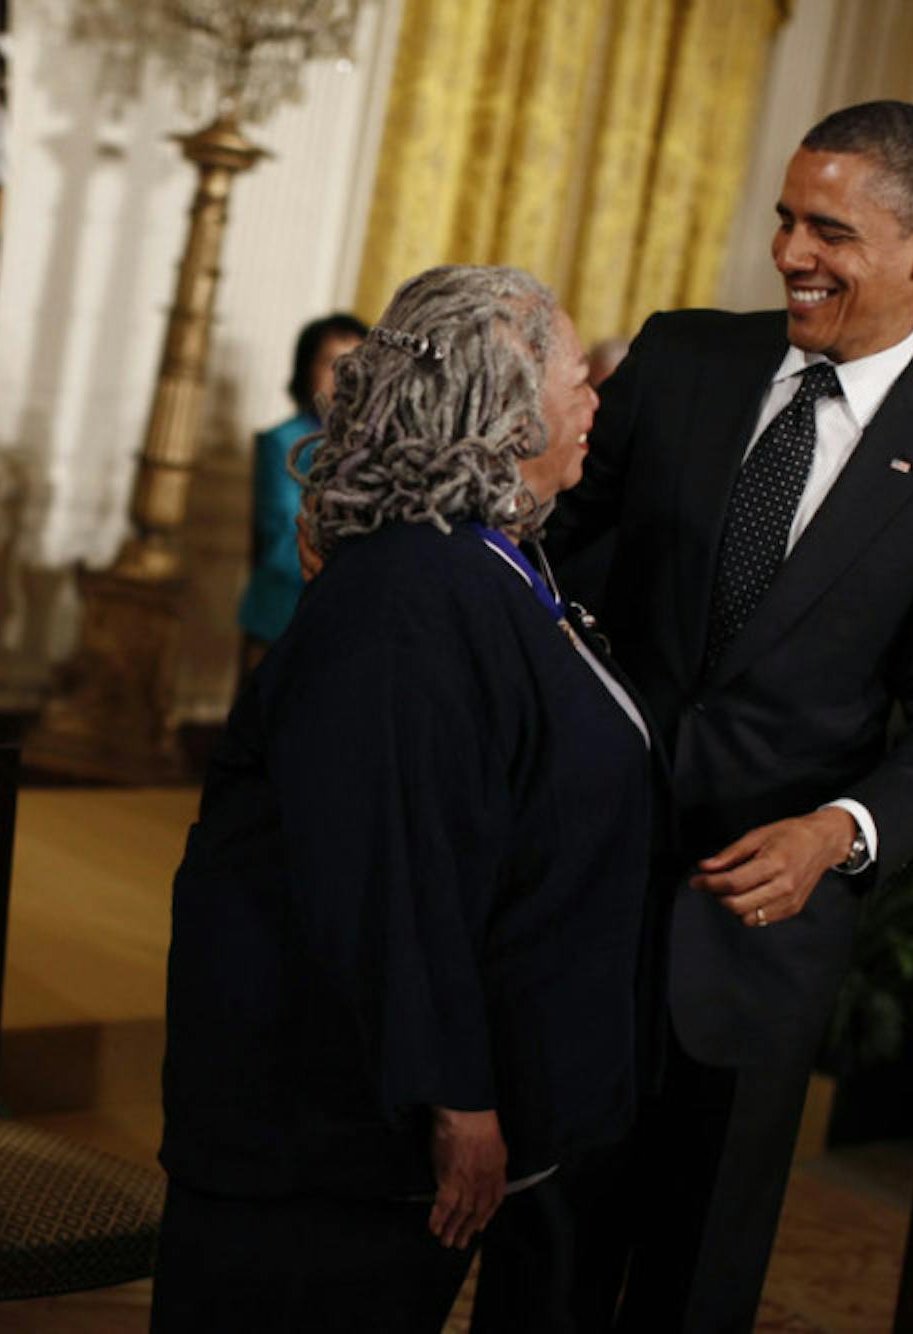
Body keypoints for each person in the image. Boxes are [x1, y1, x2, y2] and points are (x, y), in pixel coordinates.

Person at [472, 101, 913, 1332]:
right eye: (785, 218)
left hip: (758, 936)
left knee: (692, 1281)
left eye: (827, 230)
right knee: (542, 1253)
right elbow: (548, 558)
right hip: (583, 887)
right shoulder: (680, 359)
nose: (789, 252)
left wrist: (835, 832)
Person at [154, 265, 658, 1333]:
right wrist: (456, 1096)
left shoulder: (484, 562)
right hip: (325, 1143)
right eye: (576, 378)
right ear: (501, 405)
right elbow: (389, 869)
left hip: (375, 1132)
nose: (592, 400)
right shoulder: (407, 593)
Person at [235, 312, 367, 670]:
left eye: (354, 363)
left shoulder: (374, 447)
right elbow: (280, 540)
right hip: (286, 605)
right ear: (306, 368)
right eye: (329, 362)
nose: (342, 375)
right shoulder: (282, 442)